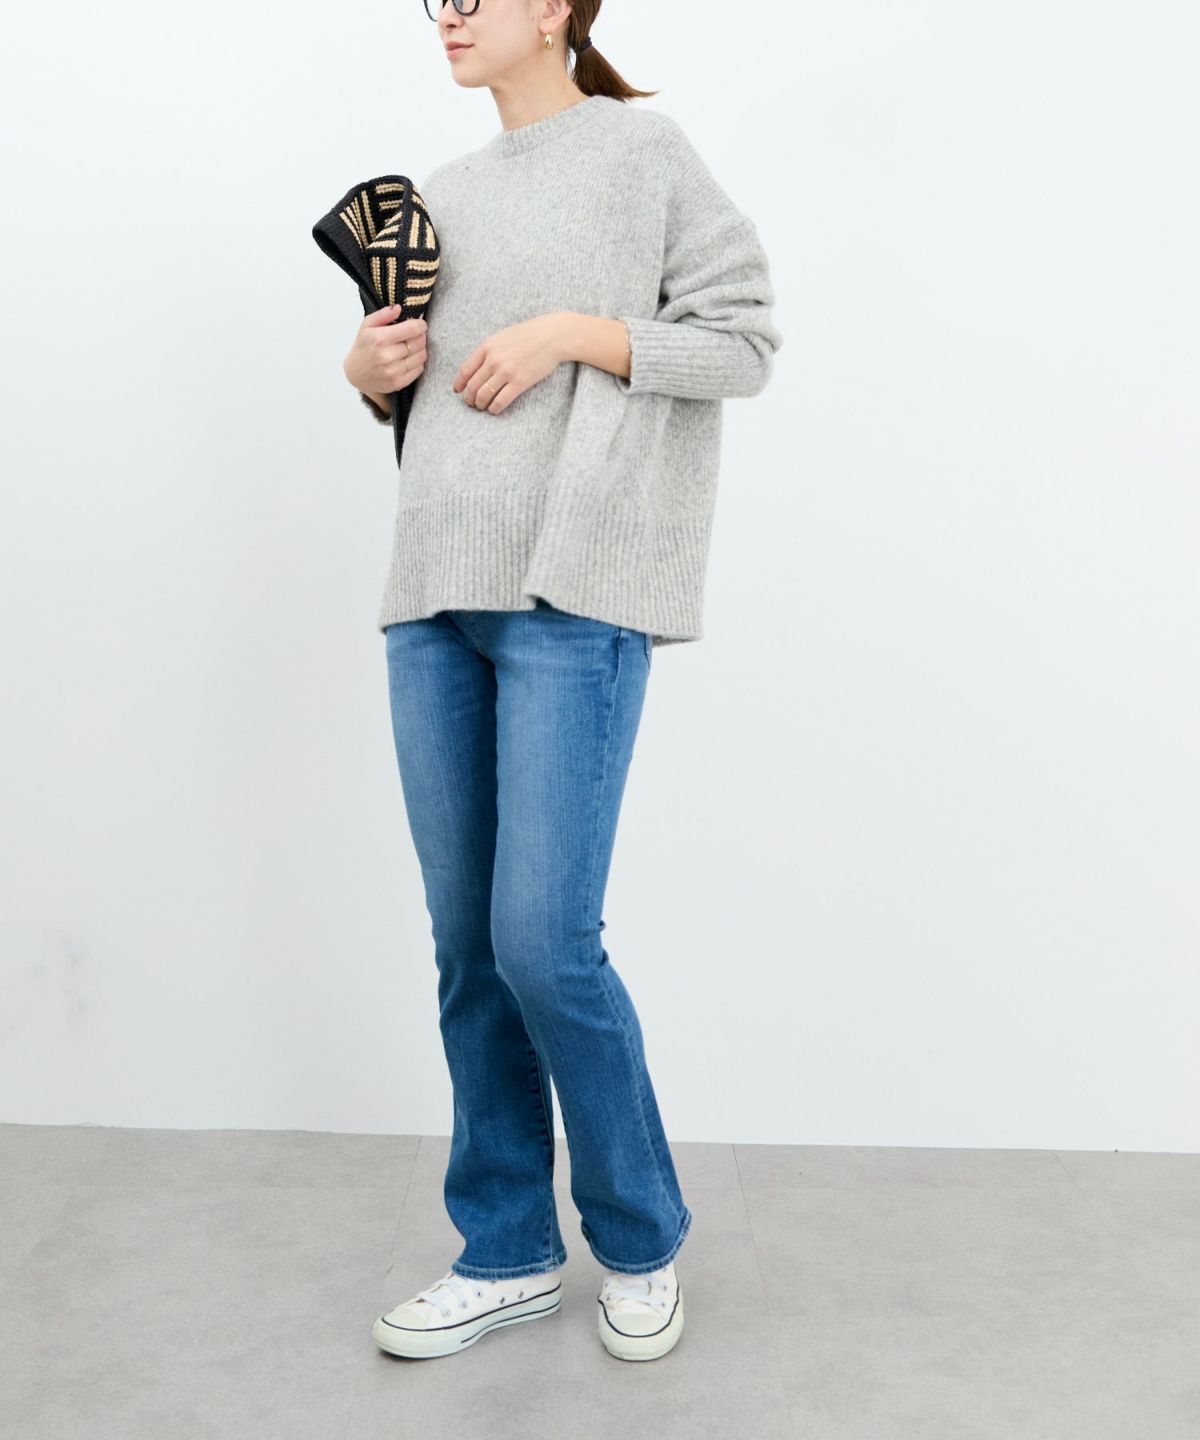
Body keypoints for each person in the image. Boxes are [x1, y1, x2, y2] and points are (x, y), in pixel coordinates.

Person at [350, 0, 783, 1364]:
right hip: (434, 594)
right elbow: (422, 403)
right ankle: (506, 1250)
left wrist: (574, 334)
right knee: (468, 950)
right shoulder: (438, 192)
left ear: (555, 9)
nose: (449, 13)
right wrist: (371, 373)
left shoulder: (644, 156)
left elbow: (744, 344)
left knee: (544, 941)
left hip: (572, 594)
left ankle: (640, 1237)